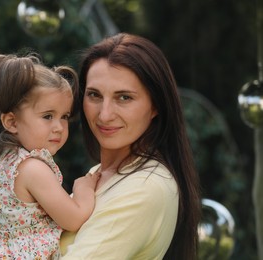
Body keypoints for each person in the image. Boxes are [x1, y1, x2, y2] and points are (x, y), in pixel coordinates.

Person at [60, 33, 201, 260]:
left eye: (124, 98)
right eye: (94, 95)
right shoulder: (99, 175)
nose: (104, 115)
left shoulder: (144, 188)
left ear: (156, 105)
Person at [0, 54, 100, 260]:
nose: (59, 127)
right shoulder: (32, 168)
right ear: (12, 122)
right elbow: (74, 218)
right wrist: (84, 188)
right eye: (48, 116)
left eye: (65, 117)